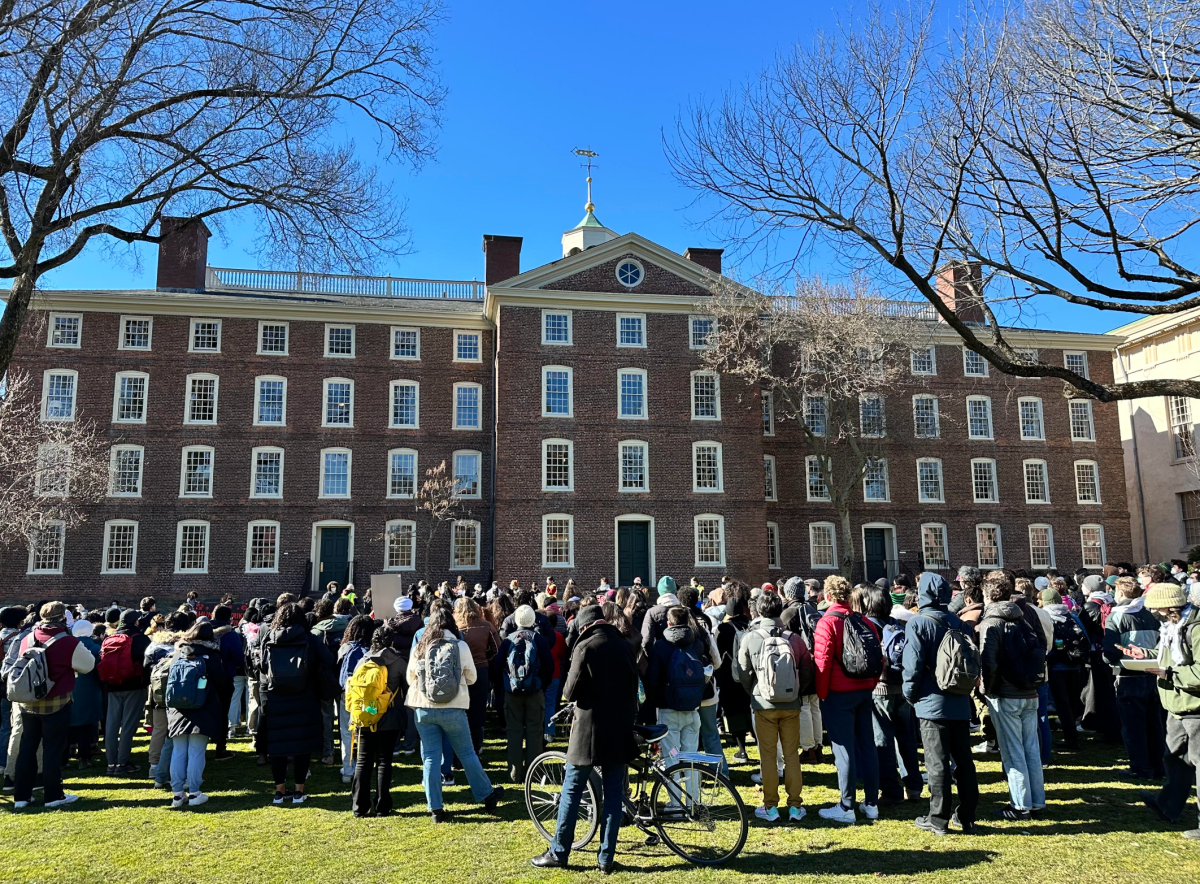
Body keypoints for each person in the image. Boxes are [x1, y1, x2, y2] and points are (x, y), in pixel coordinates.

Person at [531, 605, 639, 874]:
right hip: (620, 726)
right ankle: (606, 858)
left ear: (584, 626)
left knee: (572, 788)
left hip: (589, 729)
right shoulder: (624, 645)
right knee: (614, 794)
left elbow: (569, 692)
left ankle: (559, 851)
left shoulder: (586, 647)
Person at [406, 605, 503, 822]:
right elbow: (472, 677)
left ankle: (435, 808)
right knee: (467, 753)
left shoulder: (421, 646)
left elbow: (410, 677)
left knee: (430, 757)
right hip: (453, 706)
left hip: (423, 707)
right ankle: (486, 794)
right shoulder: (460, 645)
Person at [902, 573, 979, 835]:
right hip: (959, 699)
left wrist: (910, 695)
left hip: (930, 702)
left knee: (937, 763)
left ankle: (938, 818)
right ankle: (967, 815)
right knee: (964, 761)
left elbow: (911, 667)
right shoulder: (960, 623)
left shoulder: (918, 623)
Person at [10, 602, 96, 810]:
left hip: (29, 701)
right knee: (53, 749)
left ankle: (21, 795)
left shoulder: (27, 638)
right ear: (63, 618)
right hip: (57, 701)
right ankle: (53, 795)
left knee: (27, 748)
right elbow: (88, 665)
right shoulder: (67, 641)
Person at [978, 570, 1050, 820]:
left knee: (1012, 751)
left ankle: (1020, 805)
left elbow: (989, 662)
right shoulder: (1024, 617)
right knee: (1031, 747)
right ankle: (1037, 801)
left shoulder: (991, 622)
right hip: (1030, 690)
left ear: (988, 595)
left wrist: (986, 690)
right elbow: (1042, 646)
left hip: (1006, 694)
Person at [813, 574, 882, 823]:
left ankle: (846, 806)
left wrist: (822, 694)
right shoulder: (865, 621)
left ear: (828, 596)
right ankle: (872, 802)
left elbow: (822, 662)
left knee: (843, 751)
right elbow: (878, 657)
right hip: (864, 689)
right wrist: (870, 684)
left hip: (838, 693)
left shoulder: (827, 622)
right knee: (867, 746)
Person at [735, 592, 808, 822]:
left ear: (758, 611)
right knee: (791, 755)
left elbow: (742, 672)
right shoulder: (793, 638)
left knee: (767, 756)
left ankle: (770, 805)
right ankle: (795, 805)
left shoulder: (750, 637)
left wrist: (753, 691)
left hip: (763, 703)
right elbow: (807, 668)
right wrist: (797, 690)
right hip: (791, 703)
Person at [258, 602, 338, 805]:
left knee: (278, 747)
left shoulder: (270, 638)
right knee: (302, 746)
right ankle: (299, 791)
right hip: (305, 696)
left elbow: (262, 665)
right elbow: (329, 660)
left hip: (276, 697)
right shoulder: (310, 639)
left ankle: (279, 791)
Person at [1140, 582, 1200, 839]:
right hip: (1175, 703)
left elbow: (1197, 672)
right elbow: (1166, 654)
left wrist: (1170, 674)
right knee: (1174, 758)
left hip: (1194, 705)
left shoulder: (1195, 629)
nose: (1155, 614)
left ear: (1169, 606)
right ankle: (1168, 805)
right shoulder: (1171, 626)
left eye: (1157, 609)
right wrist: (1143, 654)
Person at [861, 582, 923, 804]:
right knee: (906, 738)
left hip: (880, 688)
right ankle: (914, 786)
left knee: (884, 739)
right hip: (901, 685)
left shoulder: (866, 626)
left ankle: (890, 790)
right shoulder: (898, 624)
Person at [1103, 576, 1165, 780]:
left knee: (1133, 725)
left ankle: (1140, 767)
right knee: (1154, 723)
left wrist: (1109, 659)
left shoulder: (1116, 616)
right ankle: (1158, 766)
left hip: (1128, 675)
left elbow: (1110, 650)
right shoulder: (1151, 613)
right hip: (1154, 673)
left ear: (1119, 593)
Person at [165, 621, 230, 808]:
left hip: (178, 707)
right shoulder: (211, 654)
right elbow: (221, 682)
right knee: (196, 751)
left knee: (178, 751)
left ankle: (177, 794)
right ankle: (194, 792)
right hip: (203, 706)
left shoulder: (179, 651)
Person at [646, 606, 707, 788]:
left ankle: (675, 804)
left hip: (668, 709)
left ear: (669, 623)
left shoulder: (661, 646)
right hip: (693, 708)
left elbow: (653, 679)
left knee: (671, 758)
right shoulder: (697, 644)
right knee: (691, 757)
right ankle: (693, 802)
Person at [349, 623, 405, 817]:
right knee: (383, 762)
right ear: (391, 641)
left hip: (365, 716)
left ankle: (359, 807)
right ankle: (382, 806)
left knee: (363, 762)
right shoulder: (397, 662)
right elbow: (408, 684)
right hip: (389, 717)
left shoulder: (362, 660)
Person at [497, 605, 554, 782]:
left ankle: (515, 774)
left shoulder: (508, 640)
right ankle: (534, 774)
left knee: (513, 732)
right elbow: (549, 667)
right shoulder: (540, 640)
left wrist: (507, 684)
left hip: (512, 693)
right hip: (535, 692)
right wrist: (541, 685)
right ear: (533, 620)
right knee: (535, 732)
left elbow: (497, 666)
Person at [98, 609, 151, 774]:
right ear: (136, 622)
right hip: (134, 686)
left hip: (112, 685)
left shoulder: (109, 638)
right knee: (129, 725)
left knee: (112, 725)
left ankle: (111, 763)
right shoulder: (141, 639)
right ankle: (122, 763)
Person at [1039, 587, 1090, 750]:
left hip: (1056, 666)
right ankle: (1072, 733)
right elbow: (1085, 638)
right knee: (1072, 703)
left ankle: (1070, 739)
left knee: (1062, 704)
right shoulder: (1072, 616)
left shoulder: (1045, 617)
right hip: (1076, 664)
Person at [145, 612, 190, 786]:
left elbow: (145, 666)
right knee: (179, 733)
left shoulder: (154, 643)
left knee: (159, 730)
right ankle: (179, 770)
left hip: (157, 692)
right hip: (180, 693)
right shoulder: (185, 644)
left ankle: (154, 766)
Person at [454, 597, 500, 754]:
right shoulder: (486, 626)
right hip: (480, 671)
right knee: (478, 712)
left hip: (459, 673)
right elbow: (497, 650)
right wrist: (486, 660)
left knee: (460, 711)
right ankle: (476, 747)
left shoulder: (455, 627)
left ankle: (459, 749)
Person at [714, 593, 753, 763]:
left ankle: (742, 750)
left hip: (729, 676)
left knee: (733, 712)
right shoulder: (751, 625)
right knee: (750, 710)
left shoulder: (723, 629)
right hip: (750, 674)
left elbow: (716, 653)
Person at [208, 605, 244, 762]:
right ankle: (220, 748)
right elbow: (238, 657)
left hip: (204, 677)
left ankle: (199, 745)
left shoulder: (203, 630)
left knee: (205, 710)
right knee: (223, 712)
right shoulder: (230, 634)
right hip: (224, 677)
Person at [67, 619, 103, 771]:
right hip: (90, 690)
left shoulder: (67, 646)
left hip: (69, 690)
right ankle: (84, 757)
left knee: (67, 725)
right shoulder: (95, 648)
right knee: (87, 726)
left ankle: (64, 758)